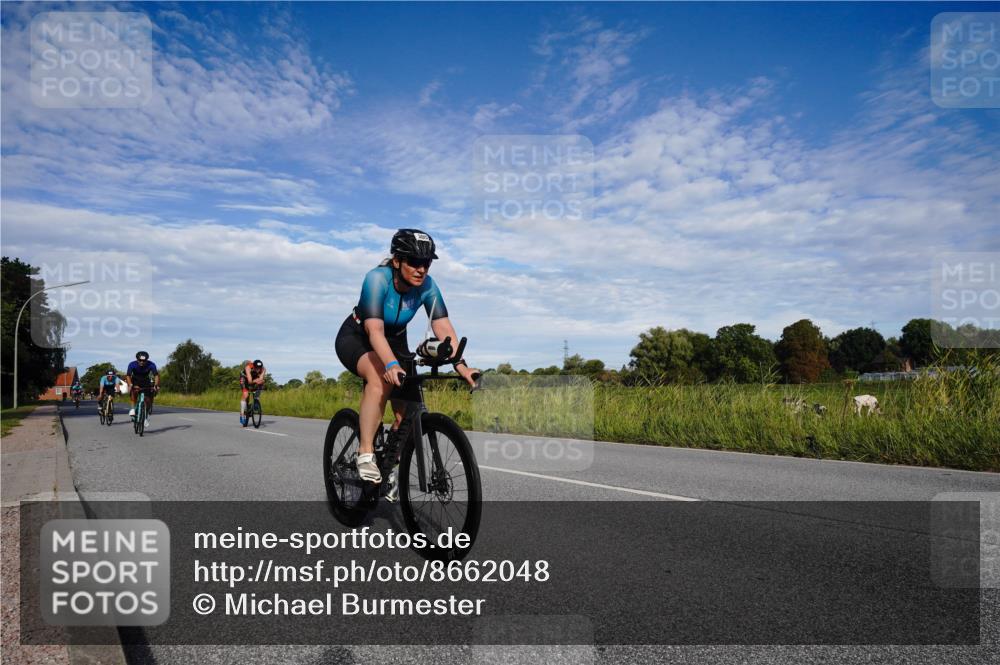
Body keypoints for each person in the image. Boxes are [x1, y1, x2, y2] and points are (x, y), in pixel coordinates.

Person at [335, 229, 479, 483]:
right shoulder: (377, 279)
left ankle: (389, 466)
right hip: (358, 335)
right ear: (397, 261)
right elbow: (375, 330)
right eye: (414, 262)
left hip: (396, 340)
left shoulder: (428, 286)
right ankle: (365, 453)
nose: (421, 269)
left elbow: (443, 326)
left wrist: (461, 366)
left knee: (407, 414)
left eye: (426, 263)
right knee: (380, 378)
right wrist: (390, 364)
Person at [126, 351, 159, 427]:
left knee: (148, 399)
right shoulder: (132, 364)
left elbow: (156, 375)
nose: (142, 362)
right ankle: (133, 409)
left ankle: (145, 417)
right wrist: (130, 384)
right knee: (134, 391)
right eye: (140, 360)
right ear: (137, 359)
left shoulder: (151, 364)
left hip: (145, 381)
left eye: (144, 361)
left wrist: (156, 385)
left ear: (147, 360)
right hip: (135, 380)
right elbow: (128, 376)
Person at [240, 359, 267, 426]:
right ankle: (242, 414)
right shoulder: (248, 367)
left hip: (254, 378)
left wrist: (260, 381)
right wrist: (256, 380)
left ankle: (256, 400)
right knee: (246, 395)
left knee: (261, 383)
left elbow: (261, 379)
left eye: (259, 368)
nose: (258, 370)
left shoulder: (263, 369)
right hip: (245, 378)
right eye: (256, 368)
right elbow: (249, 381)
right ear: (253, 367)